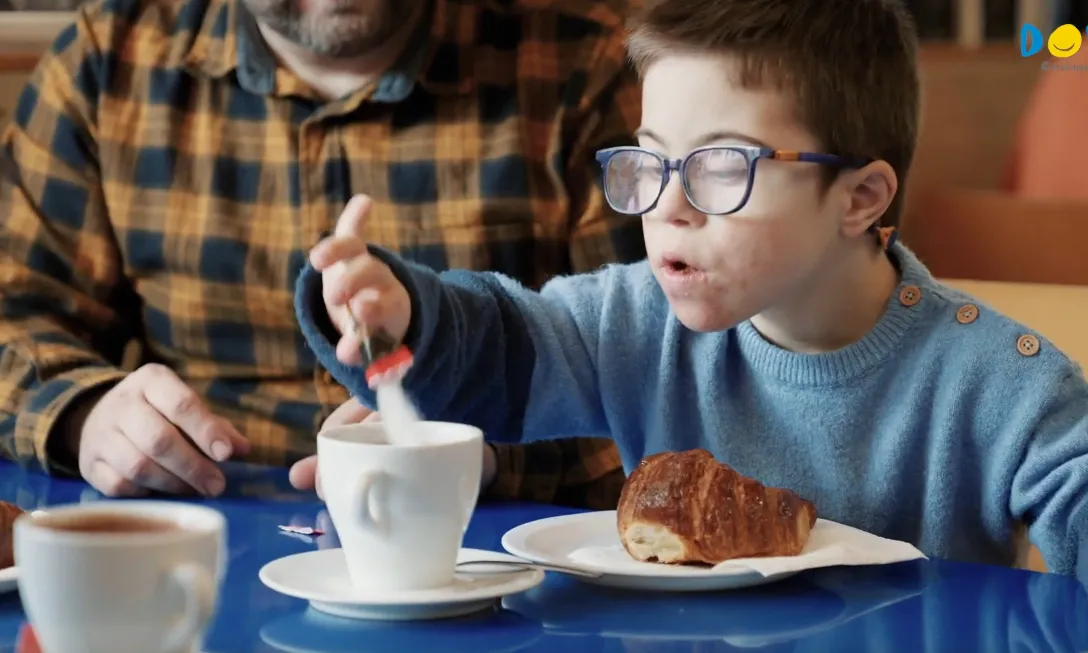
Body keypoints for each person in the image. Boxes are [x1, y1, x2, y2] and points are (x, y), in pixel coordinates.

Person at [295, 0, 1088, 584]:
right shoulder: (633, 322)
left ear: (861, 198)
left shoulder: (997, 379)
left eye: (719, 167)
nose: (668, 206)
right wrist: (401, 310)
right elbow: (504, 347)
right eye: (649, 163)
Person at [0, 0, 641, 504]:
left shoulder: (579, 63)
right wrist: (84, 412)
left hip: (487, 539)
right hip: (200, 520)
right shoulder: (109, 61)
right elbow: (15, 314)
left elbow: (663, 363)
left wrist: (493, 452)